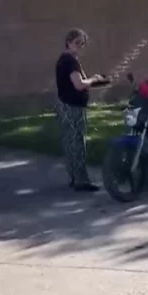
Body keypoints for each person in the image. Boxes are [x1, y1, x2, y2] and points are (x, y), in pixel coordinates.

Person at [54, 28, 105, 192]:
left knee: (69, 142)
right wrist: (94, 80)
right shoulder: (70, 62)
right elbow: (79, 84)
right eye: (77, 42)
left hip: (65, 104)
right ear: (69, 42)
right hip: (73, 107)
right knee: (77, 143)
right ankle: (81, 181)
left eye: (83, 43)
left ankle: (73, 177)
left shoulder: (63, 60)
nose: (80, 46)